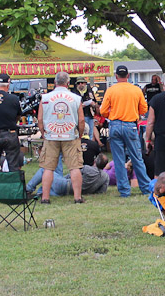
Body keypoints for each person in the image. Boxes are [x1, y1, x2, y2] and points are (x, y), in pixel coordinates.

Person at [100, 65, 154, 196]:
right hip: (131, 125)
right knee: (137, 158)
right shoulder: (136, 90)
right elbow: (144, 109)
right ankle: (146, 188)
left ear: (116, 76)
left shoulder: (111, 90)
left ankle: (124, 190)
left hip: (115, 125)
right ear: (128, 76)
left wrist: (111, 116)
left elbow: (102, 111)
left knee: (118, 159)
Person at [37, 71, 87, 204]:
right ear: (68, 83)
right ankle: (77, 197)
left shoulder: (45, 98)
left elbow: (40, 119)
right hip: (70, 135)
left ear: (54, 82)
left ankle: (45, 198)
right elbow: (81, 120)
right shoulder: (76, 98)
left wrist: (43, 133)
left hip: (51, 135)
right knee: (74, 167)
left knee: (48, 168)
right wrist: (80, 134)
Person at [28, 154, 110, 198]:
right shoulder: (105, 177)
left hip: (66, 186)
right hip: (73, 192)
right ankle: (40, 193)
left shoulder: (87, 168)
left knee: (44, 170)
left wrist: (62, 179)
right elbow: (102, 191)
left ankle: (28, 189)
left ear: (95, 161)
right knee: (46, 188)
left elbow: (72, 174)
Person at [74, 79, 100, 144]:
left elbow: (95, 102)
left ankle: (89, 149)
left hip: (89, 115)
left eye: (82, 83)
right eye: (78, 83)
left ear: (85, 83)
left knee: (90, 133)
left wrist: (93, 104)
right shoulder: (74, 93)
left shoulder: (89, 91)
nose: (80, 85)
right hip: (79, 116)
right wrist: (82, 105)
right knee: (80, 133)